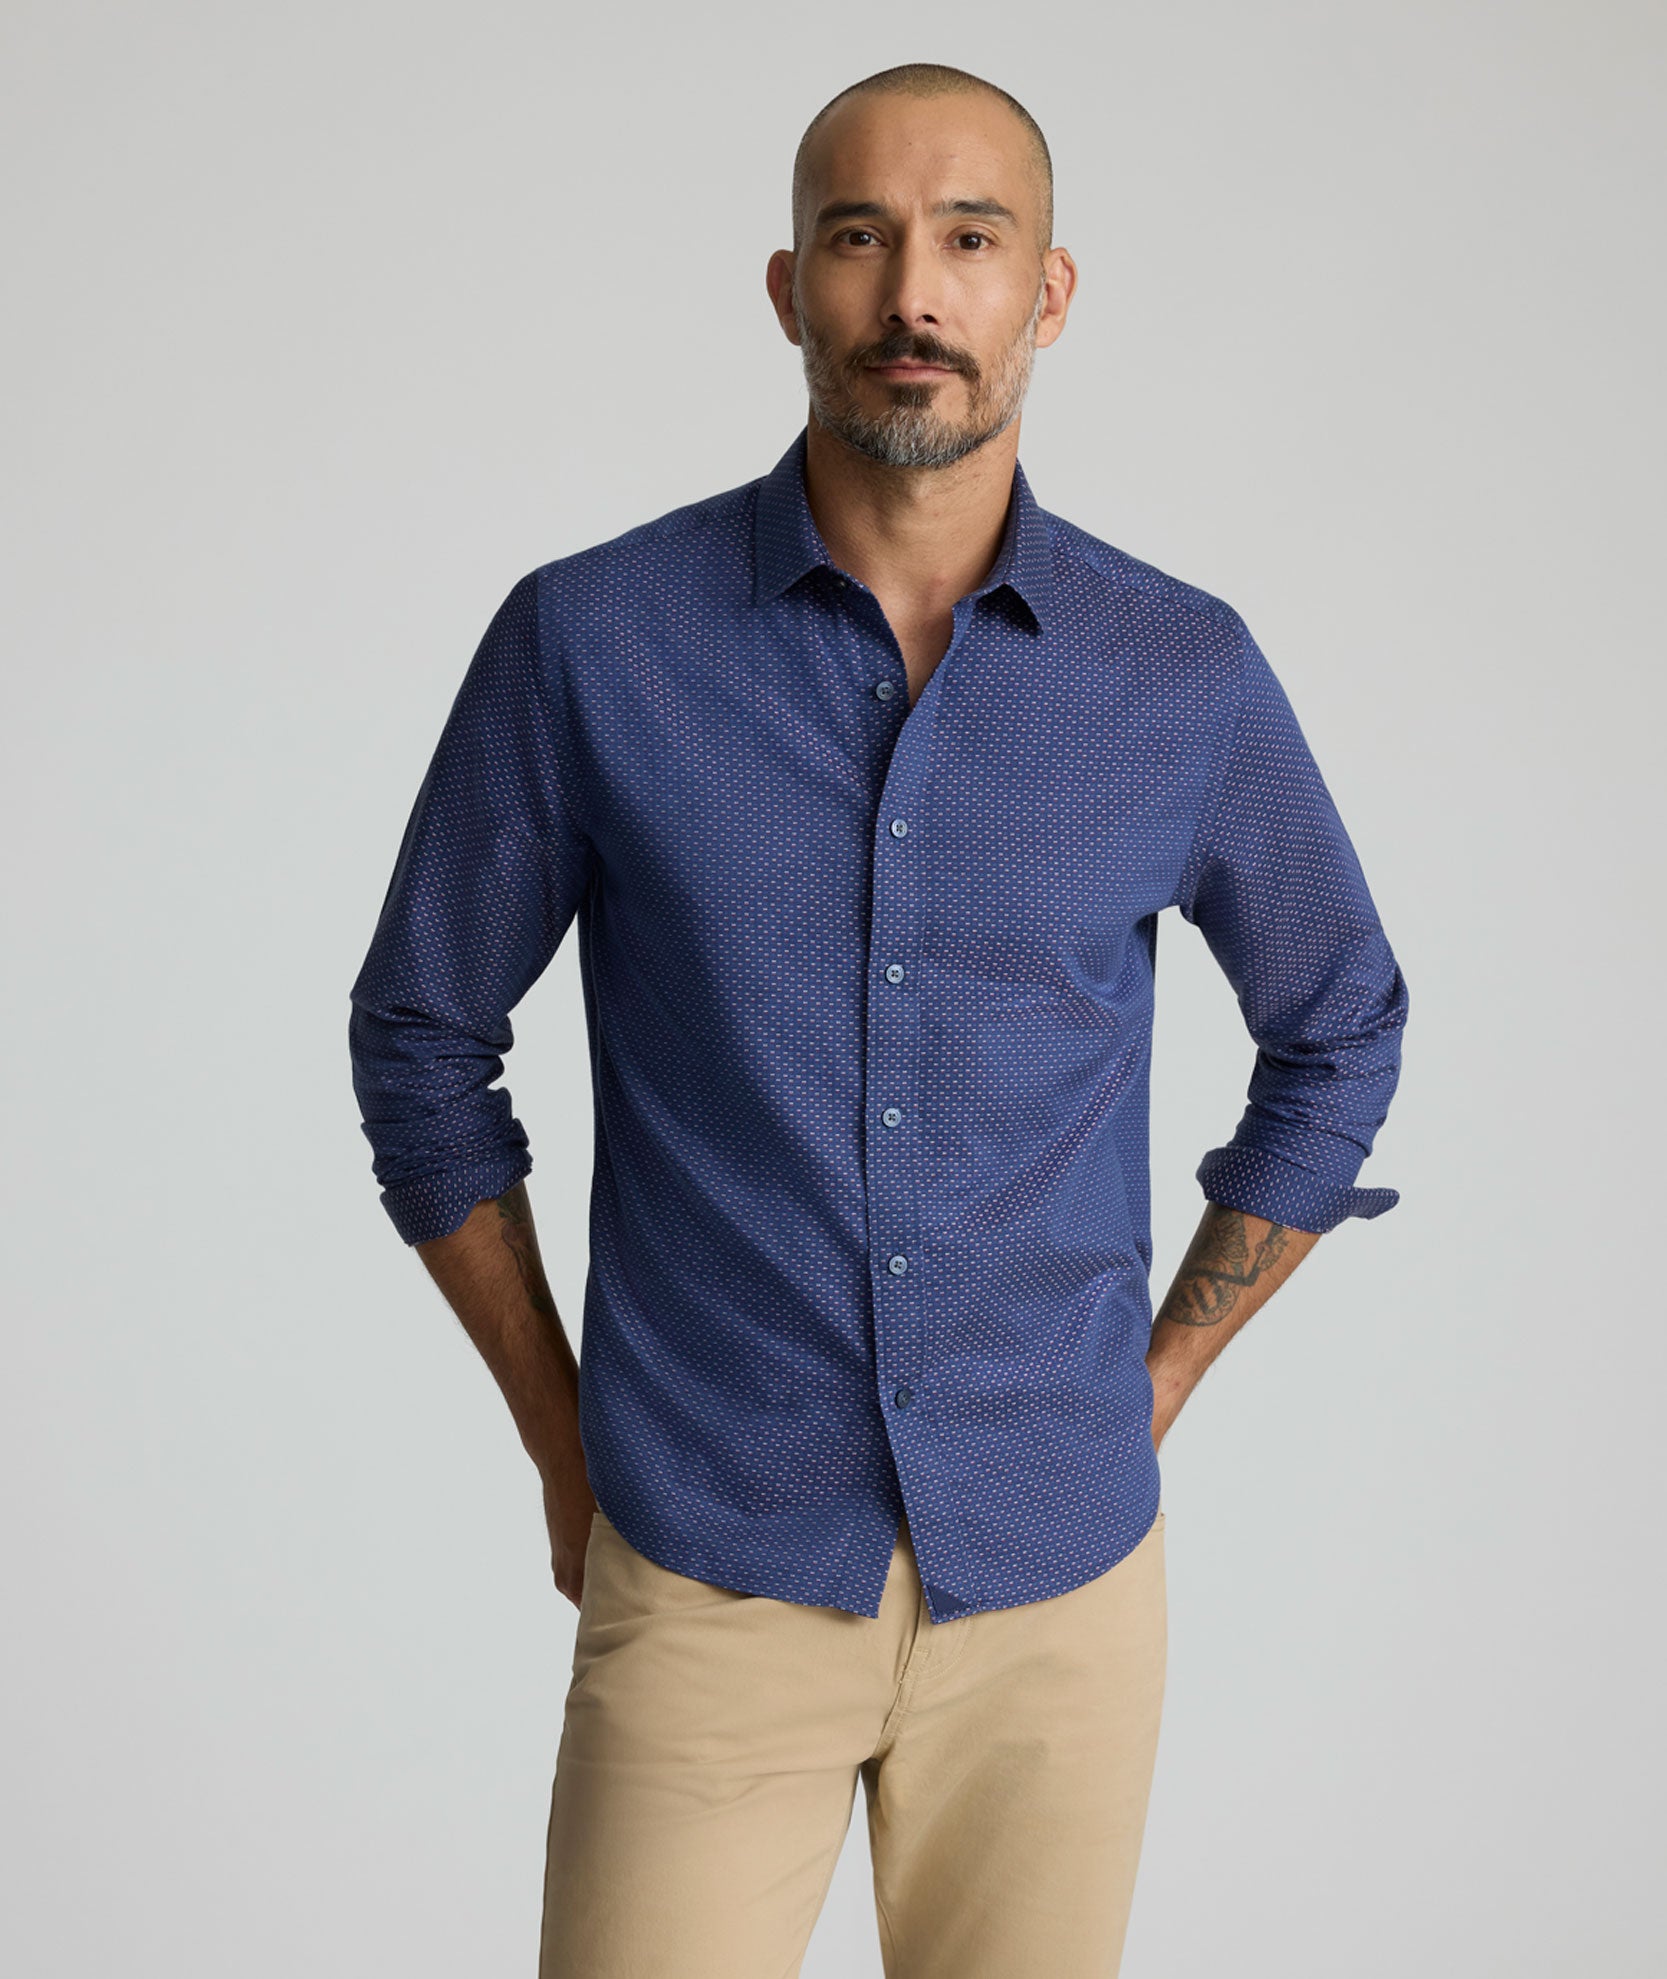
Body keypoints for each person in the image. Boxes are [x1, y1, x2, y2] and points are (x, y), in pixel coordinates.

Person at [347, 60, 1410, 1979]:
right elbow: (420, 1034)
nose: (914, 292)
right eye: (861, 237)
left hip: (1061, 1590)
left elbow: (1340, 1028)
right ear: (789, 287)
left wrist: (1162, 1376)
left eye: (970, 239)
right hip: (708, 1562)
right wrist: (561, 1441)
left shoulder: (1178, 672)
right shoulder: (593, 640)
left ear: (1047, 293)